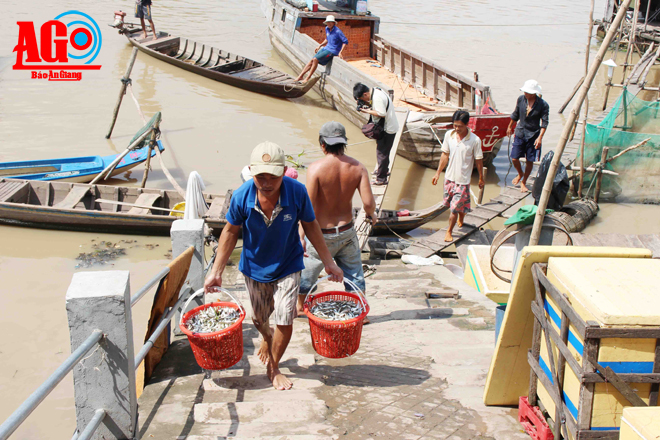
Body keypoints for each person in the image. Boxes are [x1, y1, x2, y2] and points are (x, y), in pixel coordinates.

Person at [204, 142, 343, 390]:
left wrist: (329, 263)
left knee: (285, 317)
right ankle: (267, 339)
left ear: (284, 171)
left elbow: (311, 225)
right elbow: (229, 232)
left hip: (288, 263)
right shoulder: (241, 196)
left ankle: (274, 367)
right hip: (254, 267)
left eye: (273, 177)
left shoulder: (297, 192)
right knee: (259, 320)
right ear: (250, 171)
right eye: (260, 177)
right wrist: (216, 272)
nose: (266, 183)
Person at [298, 122, 377, 315]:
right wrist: (371, 214)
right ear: (344, 143)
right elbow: (368, 203)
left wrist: (301, 234)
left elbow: (307, 207)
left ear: (322, 144)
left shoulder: (315, 169)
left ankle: (300, 307)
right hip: (346, 232)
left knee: (307, 275)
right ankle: (359, 312)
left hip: (319, 236)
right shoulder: (358, 168)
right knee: (354, 273)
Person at [431, 110, 485, 242]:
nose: (457, 128)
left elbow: (478, 161)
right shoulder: (449, 135)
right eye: (454, 125)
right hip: (449, 178)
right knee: (451, 204)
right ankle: (462, 216)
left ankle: (449, 231)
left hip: (463, 180)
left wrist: (481, 178)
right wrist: (438, 173)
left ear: (467, 124)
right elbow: (445, 155)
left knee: (454, 209)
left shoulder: (474, 140)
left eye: (460, 126)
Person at [506, 79, 549, 193]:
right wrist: (510, 126)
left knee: (530, 160)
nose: (525, 93)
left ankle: (524, 181)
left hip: (533, 135)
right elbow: (515, 114)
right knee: (514, 157)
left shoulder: (543, 105)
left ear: (534, 93)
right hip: (520, 132)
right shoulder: (521, 99)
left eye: (527, 92)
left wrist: (540, 138)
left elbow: (544, 123)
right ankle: (520, 173)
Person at [353, 82, 399, 185]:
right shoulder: (375, 91)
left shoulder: (377, 98)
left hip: (388, 129)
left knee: (381, 153)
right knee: (383, 151)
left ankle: (381, 179)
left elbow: (381, 114)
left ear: (365, 94)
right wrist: (366, 105)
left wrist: (367, 111)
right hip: (388, 127)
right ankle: (384, 170)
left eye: (362, 98)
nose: (363, 101)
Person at [295, 15, 348, 83]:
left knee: (315, 59)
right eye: (328, 22)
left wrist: (340, 52)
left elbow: (345, 41)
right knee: (311, 60)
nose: (329, 24)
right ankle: (300, 76)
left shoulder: (338, 31)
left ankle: (307, 78)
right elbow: (327, 39)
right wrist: (320, 45)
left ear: (334, 23)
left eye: (330, 22)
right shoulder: (327, 28)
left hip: (332, 50)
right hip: (326, 47)